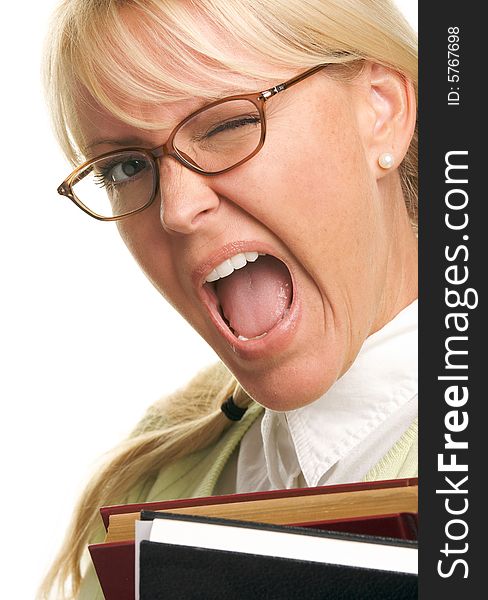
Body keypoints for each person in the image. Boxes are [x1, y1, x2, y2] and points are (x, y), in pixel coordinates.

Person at [39, 0, 418, 598]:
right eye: (127, 166)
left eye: (225, 124)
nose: (177, 209)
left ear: (381, 110)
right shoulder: (156, 481)